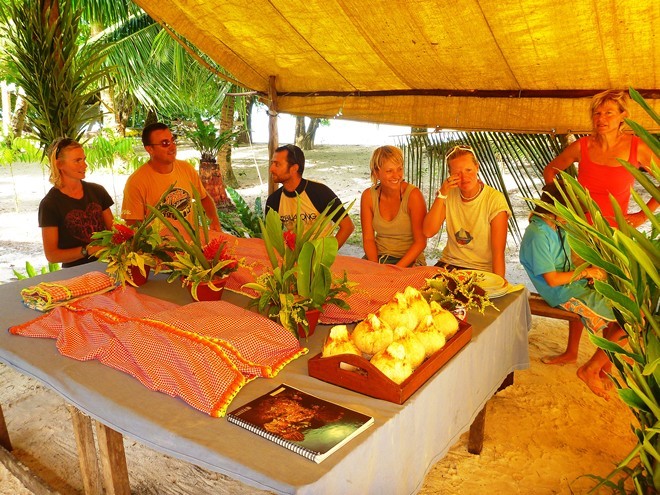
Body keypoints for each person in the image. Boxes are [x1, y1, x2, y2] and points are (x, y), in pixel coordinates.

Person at [519, 182, 624, 399]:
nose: (574, 216)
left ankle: (605, 368)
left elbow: (572, 258)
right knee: (629, 321)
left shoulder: (556, 225)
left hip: (573, 285)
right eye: (570, 211)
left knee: (624, 307)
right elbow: (553, 279)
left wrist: (592, 270)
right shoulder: (538, 234)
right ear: (554, 209)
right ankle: (590, 370)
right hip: (561, 292)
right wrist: (587, 274)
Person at [543, 89, 658, 227]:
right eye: (597, 113)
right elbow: (550, 171)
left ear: (623, 115)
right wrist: (561, 206)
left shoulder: (637, 147)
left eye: (609, 113)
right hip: (581, 231)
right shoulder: (582, 146)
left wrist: (642, 216)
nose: (601, 118)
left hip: (615, 235)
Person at [422, 145, 510, 277]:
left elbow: (498, 253)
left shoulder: (494, 199)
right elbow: (428, 231)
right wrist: (442, 194)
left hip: (481, 269)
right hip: (449, 265)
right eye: (457, 173)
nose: (464, 177)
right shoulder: (448, 195)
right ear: (450, 174)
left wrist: (500, 285)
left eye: (468, 170)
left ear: (477, 167)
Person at [121, 122, 221, 232]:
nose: (172, 147)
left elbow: (204, 198)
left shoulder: (186, 169)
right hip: (158, 247)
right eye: (165, 143)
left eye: (172, 140)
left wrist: (214, 221)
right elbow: (132, 226)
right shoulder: (135, 182)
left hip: (191, 244)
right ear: (149, 149)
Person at [39, 138, 114, 268]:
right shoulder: (50, 204)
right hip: (74, 272)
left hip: (108, 265)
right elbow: (52, 255)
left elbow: (114, 231)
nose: (84, 165)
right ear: (59, 164)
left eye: (84, 159)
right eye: (77, 160)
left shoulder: (98, 191)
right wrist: (87, 250)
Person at [265, 144, 354, 248]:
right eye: (272, 164)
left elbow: (347, 227)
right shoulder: (274, 200)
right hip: (291, 260)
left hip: (319, 258)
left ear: (294, 168)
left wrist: (328, 254)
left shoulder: (320, 192)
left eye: (277, 164)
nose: (271, 169)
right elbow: (273, 237)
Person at [360, 145, 427, 267]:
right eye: (389, 171)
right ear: (376, 172)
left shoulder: (413, 195)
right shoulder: (368, 196)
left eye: (399, 169)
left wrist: (395, 270)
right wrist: (376, 267)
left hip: (410, 260)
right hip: (379, 258)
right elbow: (368, 239)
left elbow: (420, 242)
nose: (396, 176)